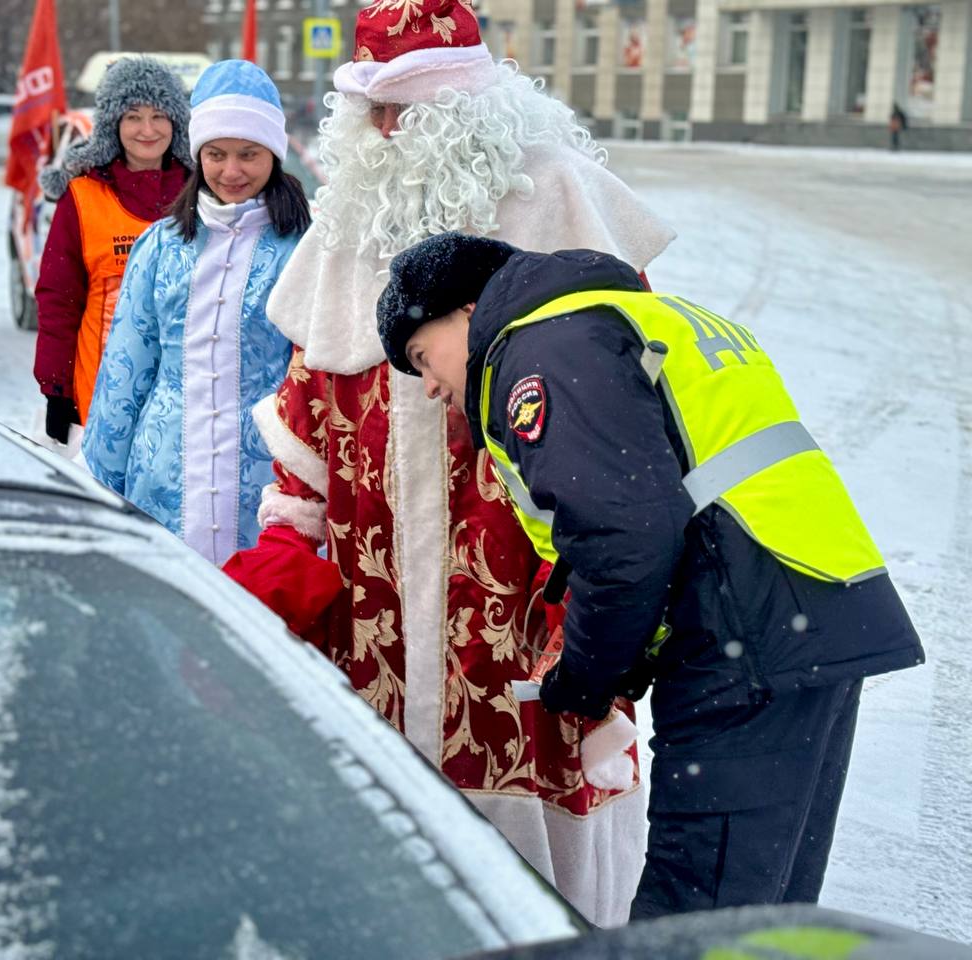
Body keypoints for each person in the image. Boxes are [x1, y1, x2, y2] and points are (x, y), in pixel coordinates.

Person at [222, 0, 675, 926]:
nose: (386, 133)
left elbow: (632, 426)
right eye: (372, 113)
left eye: (408, 111)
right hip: (372, 613)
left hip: (520, 612)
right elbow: (308, 420)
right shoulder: (343, 222)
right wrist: (286, 552)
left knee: (537, 871)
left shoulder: (558, 196)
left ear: (472, 107)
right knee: (383, 855)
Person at [374, 232, 925, 918]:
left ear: (465, 308)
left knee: (697, 909)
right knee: (768, 906)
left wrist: (585, 680)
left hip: (745, 628)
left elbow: (621, 536)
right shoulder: (623, 316)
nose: (429, 385)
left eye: (424, 357)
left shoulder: (543, 348)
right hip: (814, 605)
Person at [82, 60, 312, 565]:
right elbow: (126, 371)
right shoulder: (161, 246)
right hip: (163, 478)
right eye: (216, 154)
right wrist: (101, 481)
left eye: (248, 154)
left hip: (265, 487)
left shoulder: (307, 249)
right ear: (197, 155)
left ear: (273, 153)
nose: (232, 171)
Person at [34, 57, 193, 443]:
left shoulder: (202, 193)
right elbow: (59, 300)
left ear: (177, 123)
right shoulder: (83, 197)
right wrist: (57, 390)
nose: (147, 130)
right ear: (112, 125)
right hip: (101, 393)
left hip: (187, 398)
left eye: (159, 116)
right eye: (133, 116)